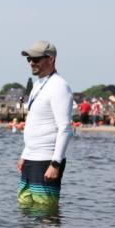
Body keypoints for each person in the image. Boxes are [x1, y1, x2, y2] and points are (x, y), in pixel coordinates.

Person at [17, 41, 72, 209]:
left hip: (47, 160)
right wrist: (24, 154)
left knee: (45, 213)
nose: (31, 62)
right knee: (25, 210)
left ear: (50, 59)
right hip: (31, 158)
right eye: (29, 59)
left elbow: (65, 128)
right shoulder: (38, 84)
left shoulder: (59, 86)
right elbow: (35, 122)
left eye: (36, 59)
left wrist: (55, 164)